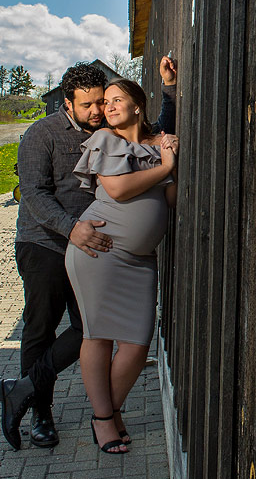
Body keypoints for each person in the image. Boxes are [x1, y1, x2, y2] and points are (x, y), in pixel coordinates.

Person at [0, 57, 179, 450]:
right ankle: (39, 412)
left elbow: (151, 126)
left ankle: (27, 388)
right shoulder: (41, 135)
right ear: (67, 102)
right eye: (89, 105)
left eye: (102, 102)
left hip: (98, 245)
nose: (97, 111)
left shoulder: (115, 130)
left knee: (86, 331)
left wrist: (168, 91)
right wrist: (71, 228)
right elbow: (33, 192)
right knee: (41, 327)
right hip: (45, 242)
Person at [65, 79, 178, 453]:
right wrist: (165, 167)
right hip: (99, 251)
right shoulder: (106, 141)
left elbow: (173, 198)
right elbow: (117, 189)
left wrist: (171, 154)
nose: (108, 107)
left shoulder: (157, 145)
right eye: (104, 102)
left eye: (116, 100)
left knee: (136, 342)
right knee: (97, 335)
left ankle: (108, 413)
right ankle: (104, 419)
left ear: (137, 106)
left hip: (140, 260)